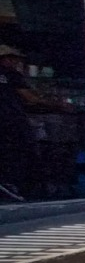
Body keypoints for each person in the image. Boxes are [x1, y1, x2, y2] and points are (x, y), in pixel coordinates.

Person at [0, 46, 42, 201]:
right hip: (12, 120)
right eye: (13, 59)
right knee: (19, 153)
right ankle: (15, 187)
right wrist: (54, 103)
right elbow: (30, 98)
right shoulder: (11, 74)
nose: (16, 62)